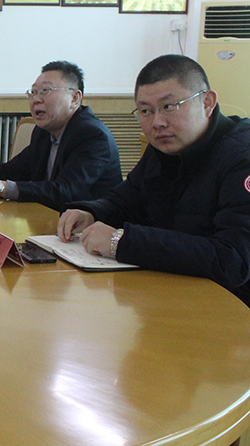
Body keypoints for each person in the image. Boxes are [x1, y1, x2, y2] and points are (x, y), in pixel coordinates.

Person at [58, 54, 250, 307]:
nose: (157, 122)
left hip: (230, 309)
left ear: (207, 102)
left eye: (169, 106)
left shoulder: (241, 157)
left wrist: (121, 242)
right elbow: (126, 199)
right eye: (146, 111)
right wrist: (91, 212)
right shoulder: (162, 149)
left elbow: (233, 260)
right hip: (169, 294)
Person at [0, 60, 121, 212]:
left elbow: (65, 191)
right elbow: (13, 170)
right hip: (47, 219)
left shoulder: (92, 135)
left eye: (46, 91)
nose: (36, 100)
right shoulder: (43, 131)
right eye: (33, 92)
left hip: (86, 231)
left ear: (75, 98)